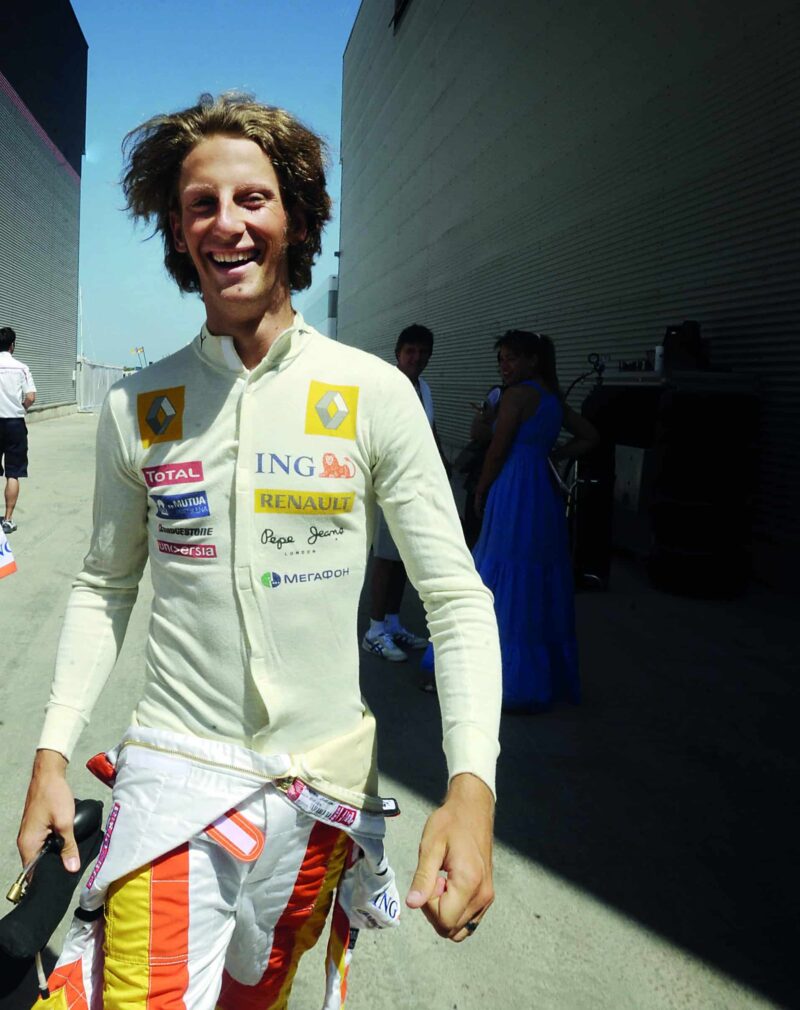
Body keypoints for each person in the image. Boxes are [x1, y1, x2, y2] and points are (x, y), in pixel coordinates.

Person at [15, 93, 501, 1010]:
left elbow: (457, 599)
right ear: (175, 226)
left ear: (298, 217)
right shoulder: (138, 405)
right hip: (173, 781)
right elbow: (103, 584)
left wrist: (471, 788)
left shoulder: (374, 394)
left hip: (321, 797)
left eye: (253, 199)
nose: (226, 224)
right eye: (202, 203)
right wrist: (50, 750)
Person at [473, 329, 598, 712]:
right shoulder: (552, 399)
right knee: (537, 576)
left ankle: (500, 677)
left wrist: (480, 490)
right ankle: (539, 677)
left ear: (532, 360)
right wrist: (555, 454)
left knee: (502, 572)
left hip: (512, 487)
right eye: (501, 359)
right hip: (542, 493)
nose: (504, 366)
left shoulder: (516, 396)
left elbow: (496, 450)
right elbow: (591, 436)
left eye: (511, 358)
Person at [362, 324, 449, 662]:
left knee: (403, 559)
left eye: (423, 352)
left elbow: (431, 429)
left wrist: (441, 464)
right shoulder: (386, 385)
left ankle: (393, 621)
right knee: (385, 559)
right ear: (398, 353)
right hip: (388, 483)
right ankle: (374, 630)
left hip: (416, 485)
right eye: (411, 351)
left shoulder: (423, 388)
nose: (417, 358)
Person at [0, 326, 36, 534]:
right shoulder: (21, 368)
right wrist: (21, 408)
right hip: (14, 423)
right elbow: (30, 396)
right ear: (12, 345)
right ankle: (7, 520)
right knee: (13, 472)